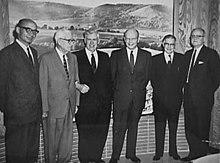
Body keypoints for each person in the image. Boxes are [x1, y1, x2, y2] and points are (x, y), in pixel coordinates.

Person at [0, 18, 42, 163]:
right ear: (18, 30)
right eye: (28, 30)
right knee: (16, 156)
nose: (31, 34)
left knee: (31, 155)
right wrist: (11, 111)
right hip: (16, 119)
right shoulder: (6, 54)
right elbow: (1, 87)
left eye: (34, 31)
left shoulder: (34, 53)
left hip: (34, 116)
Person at [109, 28, 152, 163]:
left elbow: (146, 77)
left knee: (133, 127)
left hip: (137, 99)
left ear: (138, 40)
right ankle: (115, 156)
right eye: (127, 38)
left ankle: (131, 154)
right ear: (124, 39)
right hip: (120, 99)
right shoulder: (116, 55)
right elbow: (112, 77)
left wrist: (137, 90)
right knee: (118, 128)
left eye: (133, 38)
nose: (130, 41)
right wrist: (120, 92)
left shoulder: (146, 55)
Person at [39, 29, 80, 163]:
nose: (71, 43)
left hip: (69, 106)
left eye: (72, 40)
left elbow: (76, 81)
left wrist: (76, 103)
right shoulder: (46, 59)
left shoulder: (72, 58)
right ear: (58, 41)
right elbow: (42, 85)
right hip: (52, 109)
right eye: (69, 40)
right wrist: (44, 109)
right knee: (51, 143)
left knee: (66, 142)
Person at [181, 28, 220, 162]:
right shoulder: (187, 54)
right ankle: (193, 154)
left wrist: (206, 92)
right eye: (193, 36)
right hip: (188, 98)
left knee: (202, 127)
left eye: (198, 36)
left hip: (203, 100)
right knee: (190, 127)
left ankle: (202, 157)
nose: (195, 38)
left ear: (204, 38)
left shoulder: (211, 54)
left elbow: (217, 78)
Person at [75, 27, 112, 163]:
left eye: (94, 40)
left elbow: (109, 79)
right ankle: (84, 160)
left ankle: (96, 158)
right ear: (84, 40)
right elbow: (67, 77)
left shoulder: (105, 57)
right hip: (85, 105)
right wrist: (77, 85)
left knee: (101, 133)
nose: (92, 43)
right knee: (84, 134)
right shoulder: (75, 57)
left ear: (99, 40)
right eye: (89, 40)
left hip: (103, 105)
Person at [151, 34, 184, 161]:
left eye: (172, 44)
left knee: (173, 126)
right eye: (167, 44)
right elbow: (152, 78)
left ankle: (173, 151)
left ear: (174, 45)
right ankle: (158, 152)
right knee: (159, 126)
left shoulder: (181, 59)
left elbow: (182, 79)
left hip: (175, 100)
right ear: (162, 44)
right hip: (159, 100)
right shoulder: (155, 60)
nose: (169, 47)